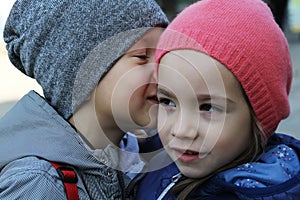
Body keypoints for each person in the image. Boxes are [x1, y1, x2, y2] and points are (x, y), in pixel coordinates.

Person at [0, 0, 168, 199]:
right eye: (142, 56)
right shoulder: (38, 185)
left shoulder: (138, 161)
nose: (163, 71)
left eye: (162, 57)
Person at [137, 0, 300, 199]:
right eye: (168, 102)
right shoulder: (151, 156)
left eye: (208, 107)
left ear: (258, 117)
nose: (181, 130)